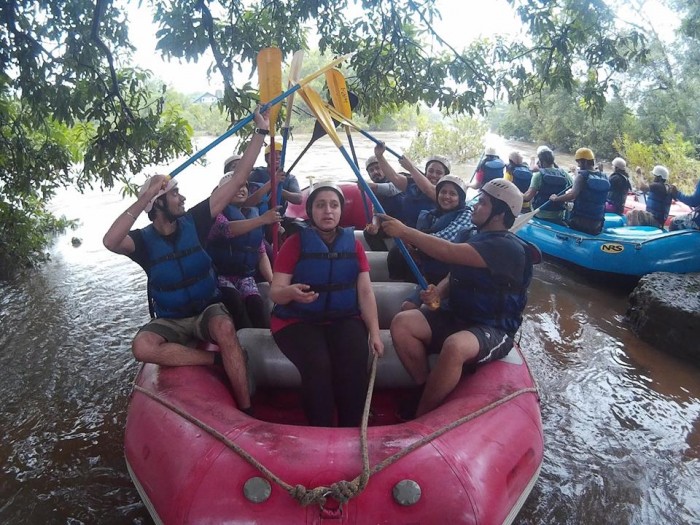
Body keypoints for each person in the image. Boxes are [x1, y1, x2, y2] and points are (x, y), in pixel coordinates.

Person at [102, 107, 271, 415]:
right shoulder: (140, 242)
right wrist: (144, 198)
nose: (182, 197)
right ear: (157, 204)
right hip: (173, 320)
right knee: (142, 347)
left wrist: (260, 132)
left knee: (223, 326)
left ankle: (246, 408)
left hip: (207, 309)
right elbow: (110, 241)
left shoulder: (197, 220)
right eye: (174, 194)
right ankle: (212, 360)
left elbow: (238, 180)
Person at [379, 179, 539, 419]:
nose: (474, 206)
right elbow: (455, 273)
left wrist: (404, 231)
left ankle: (422, 413)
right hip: (457, 315)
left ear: (499, 213)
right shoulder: (471, 234)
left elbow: (448, 252)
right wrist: (438, 293)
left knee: (455, 346)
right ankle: (425, 385)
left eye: (482, 203)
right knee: (403, 322)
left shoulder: (506, 248)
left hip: (491, 328)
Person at [269, 182, 384, 427]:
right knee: (318, 364)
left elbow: (365, 292)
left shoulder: (353, 245)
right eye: (321, 205)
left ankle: (352, 424)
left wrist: (374, 333)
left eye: (334, 205)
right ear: (310, 211)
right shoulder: (294, 244)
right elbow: (276, 292)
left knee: (354, 356)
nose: (328, 211)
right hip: (296, 320)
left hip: (342, 317)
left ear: (341, 211)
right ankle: (319, 426)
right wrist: (290, 293)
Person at [207, 174, 282, 328]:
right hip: (220, 277)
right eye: (236, 187)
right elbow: (227, 229)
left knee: (256, 303)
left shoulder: (251, 214)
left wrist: (271, 280)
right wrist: (262, 220)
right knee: (234, 300)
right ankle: (242, 339)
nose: (241, 190)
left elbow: (260, 252)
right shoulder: (216, 215)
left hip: (245, 277)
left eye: (244, 187)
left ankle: (264, 338)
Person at [386, 175, 474, 303]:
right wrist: (411, 248)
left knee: (410, 307)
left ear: (460, 198)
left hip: (449, 277)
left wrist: (406, 233)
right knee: (396, 254)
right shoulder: (431, 215)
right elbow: (421, 252)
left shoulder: (467, 215)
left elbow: (444, 240)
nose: (446, 197)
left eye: (453, 194)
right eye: (443, 192)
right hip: (429, 273)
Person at [374, 142, 449, 229]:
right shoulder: (414, 184)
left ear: (445, 176)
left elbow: (428, 189)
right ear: (426, 172)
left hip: (428, 236)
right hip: (407, 231)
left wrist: (411, 168)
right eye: (431, 171)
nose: (434, 175)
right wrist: (380, 156)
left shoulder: (445, 193)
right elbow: (394, 177)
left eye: (439, 173)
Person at [549, 147, 610, 235]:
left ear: (584, 161)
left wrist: (556, 198)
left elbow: (572, 195)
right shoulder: (604, 176)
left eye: (579, 162)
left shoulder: (581, 176)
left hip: (580, 220)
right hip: (598, 221)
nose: (579, 165)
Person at [246, 142, 302, 214]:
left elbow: (298, 199)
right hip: (256, 215)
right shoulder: (257, 173)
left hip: (278, 217)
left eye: (280, 154)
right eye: (274, 154)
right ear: (267, 158)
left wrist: (279, 190)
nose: (278, 157)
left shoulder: (289, 178)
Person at [362, 154, 404, 251]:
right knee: (368, 233)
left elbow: (391, 189)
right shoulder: (374, 191)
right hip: (391, 224)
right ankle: (383, 255)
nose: (375, 172)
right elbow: (376, 213)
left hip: (406, 224)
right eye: (371, 170)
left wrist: (372, 186)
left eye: (378, 168)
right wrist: (375, 226)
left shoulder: (399, 178)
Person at [522, 147, 573, 224]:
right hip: (559, 214)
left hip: (540, 214)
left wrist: (518, 194)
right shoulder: (564, 173)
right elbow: (573, 188)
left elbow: (528, 197)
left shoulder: (538, 175)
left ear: (542, 162)